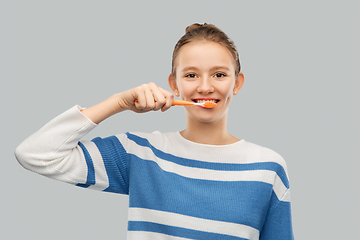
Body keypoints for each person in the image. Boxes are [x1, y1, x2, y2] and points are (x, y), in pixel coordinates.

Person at [15, 23, 294, 240]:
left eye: (219, 74)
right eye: (191, 75)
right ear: (174, 84)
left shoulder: (267, 168)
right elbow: (35, 154)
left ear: (237, 83)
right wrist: (118, 103)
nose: (205, 86)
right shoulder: (141, 154)